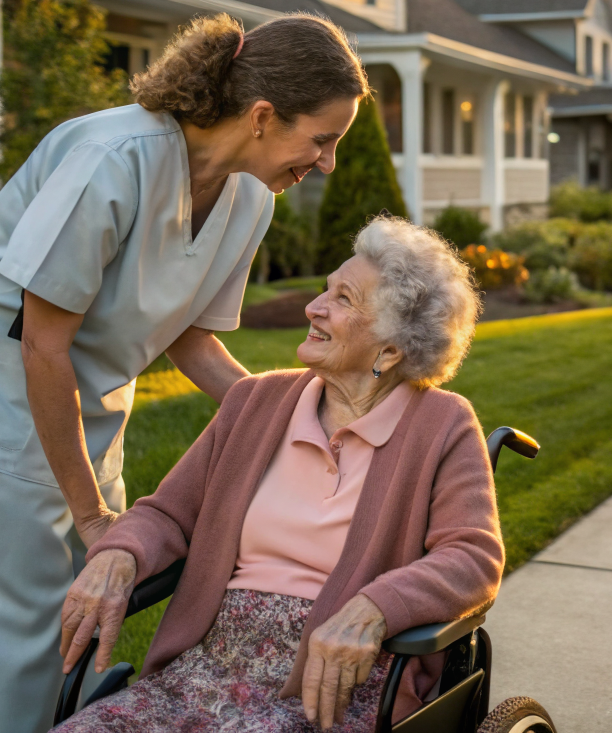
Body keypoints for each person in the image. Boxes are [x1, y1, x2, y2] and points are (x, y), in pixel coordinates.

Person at [0, 11, 369, 733]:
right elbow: (41, 345)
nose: (327, 163)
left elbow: (194, 343)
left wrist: (309, 418)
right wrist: (92, 517)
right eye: (323, 140)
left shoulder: (246, 197)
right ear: (265, 116)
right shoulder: (112, 157)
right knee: (16, 635)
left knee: (91, 614)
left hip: (86, 401)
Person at [55, 217, 501, 733]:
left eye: (345, 299)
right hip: (204, 669)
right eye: (325, 289)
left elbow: (472, 556)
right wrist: (119, 552)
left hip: (336, 684)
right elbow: (170, 512)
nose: (313, 306)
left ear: (391, 349)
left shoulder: (441, 424)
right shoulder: (255, 401)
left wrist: (376, 608)